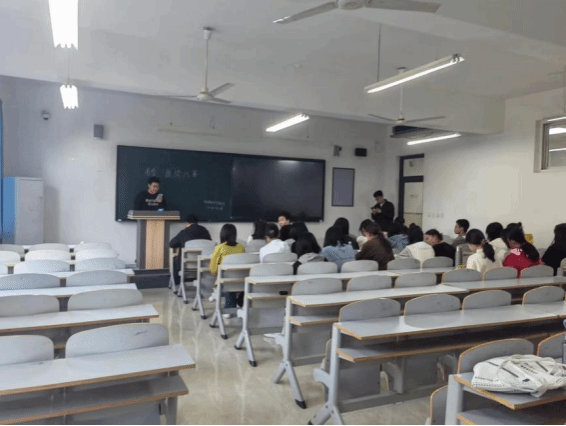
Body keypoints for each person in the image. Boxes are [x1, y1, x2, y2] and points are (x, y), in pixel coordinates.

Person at [209, 224, 246, 312]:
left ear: (222, 234)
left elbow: (213, 270)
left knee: (227, 280)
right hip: (241, 281)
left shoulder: (219, 248)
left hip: (226, 281)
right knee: (231, 280)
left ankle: (229, 308)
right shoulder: (241, 247)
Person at [169, 214, 212, 286]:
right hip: (203, 264)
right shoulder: (205, 231)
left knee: (174, 259)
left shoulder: (184, 232)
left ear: (186, 223)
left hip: (187, 265)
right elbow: (210, 243)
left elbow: (172, 244)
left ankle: (177, 284)